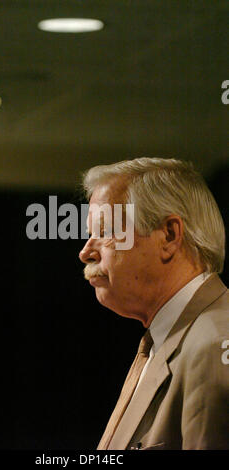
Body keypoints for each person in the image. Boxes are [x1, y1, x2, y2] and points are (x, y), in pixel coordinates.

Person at [79, 157, 228, 450]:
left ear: (169, 236)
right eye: (90, 235)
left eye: (106, 232)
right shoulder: (163, 339)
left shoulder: (213, 346)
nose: (86, 252)